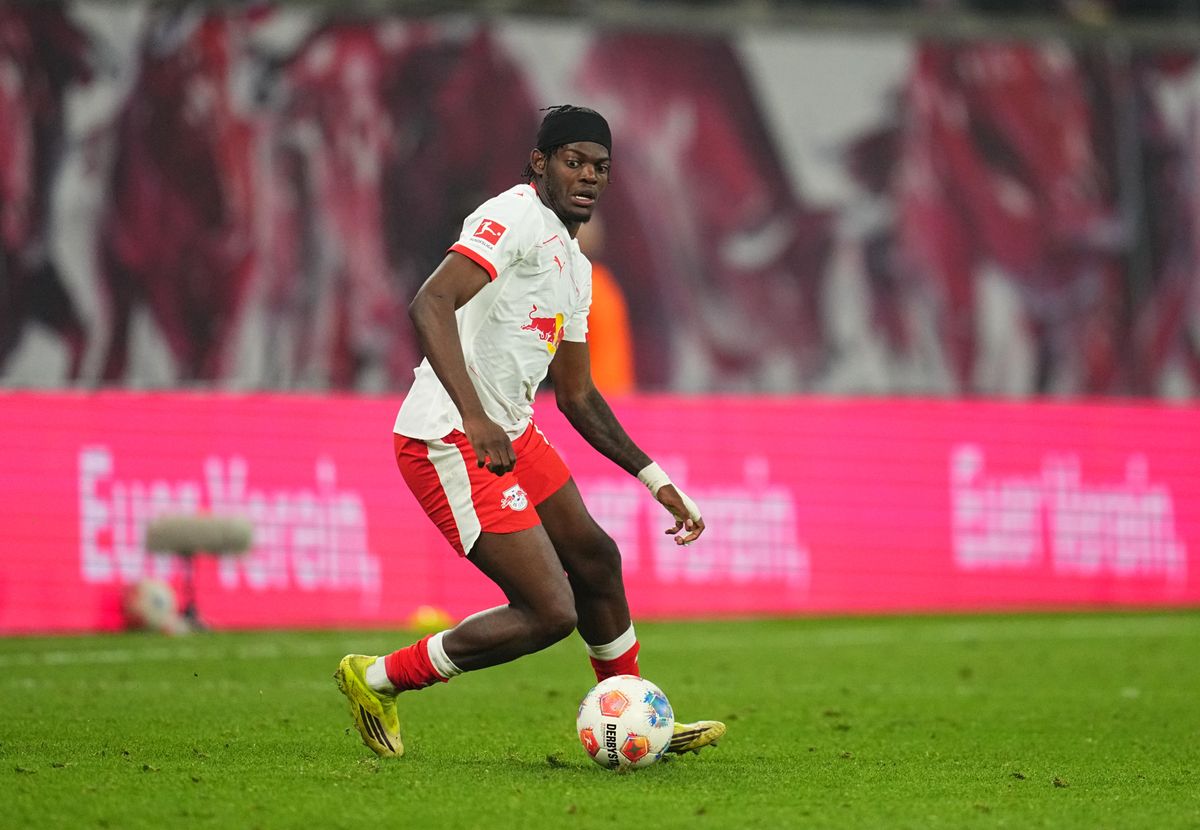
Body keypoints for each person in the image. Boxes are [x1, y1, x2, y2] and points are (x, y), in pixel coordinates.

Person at [334, 105, 726, 759]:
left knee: (597, 560)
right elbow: (430, 303)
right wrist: (475, 416)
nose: (589, 176)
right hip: (447, 436)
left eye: (600, 167)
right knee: (549, 611)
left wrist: (656, 480)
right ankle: (376, 679)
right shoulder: (515, 215)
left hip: (511, 431)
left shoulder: (576, 268)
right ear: (541, 164)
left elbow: (578, 396)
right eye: (574, 161)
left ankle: (633, 713)